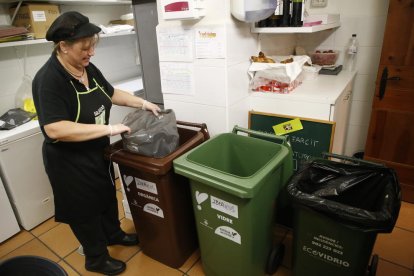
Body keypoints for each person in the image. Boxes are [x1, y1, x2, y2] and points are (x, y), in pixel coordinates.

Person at [32, 11, 161, 275]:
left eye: (93, 45)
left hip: (96, 151)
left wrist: (143, 102)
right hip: (69, 161)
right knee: (85, 211)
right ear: (64, 46)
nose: (91, 52)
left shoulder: (87, 68)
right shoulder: (49, 80)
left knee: (105, 197)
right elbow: (55, 128)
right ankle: (96, 258)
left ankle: (113, 234)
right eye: (85, 47)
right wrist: (110, 128)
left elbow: (110, 93)